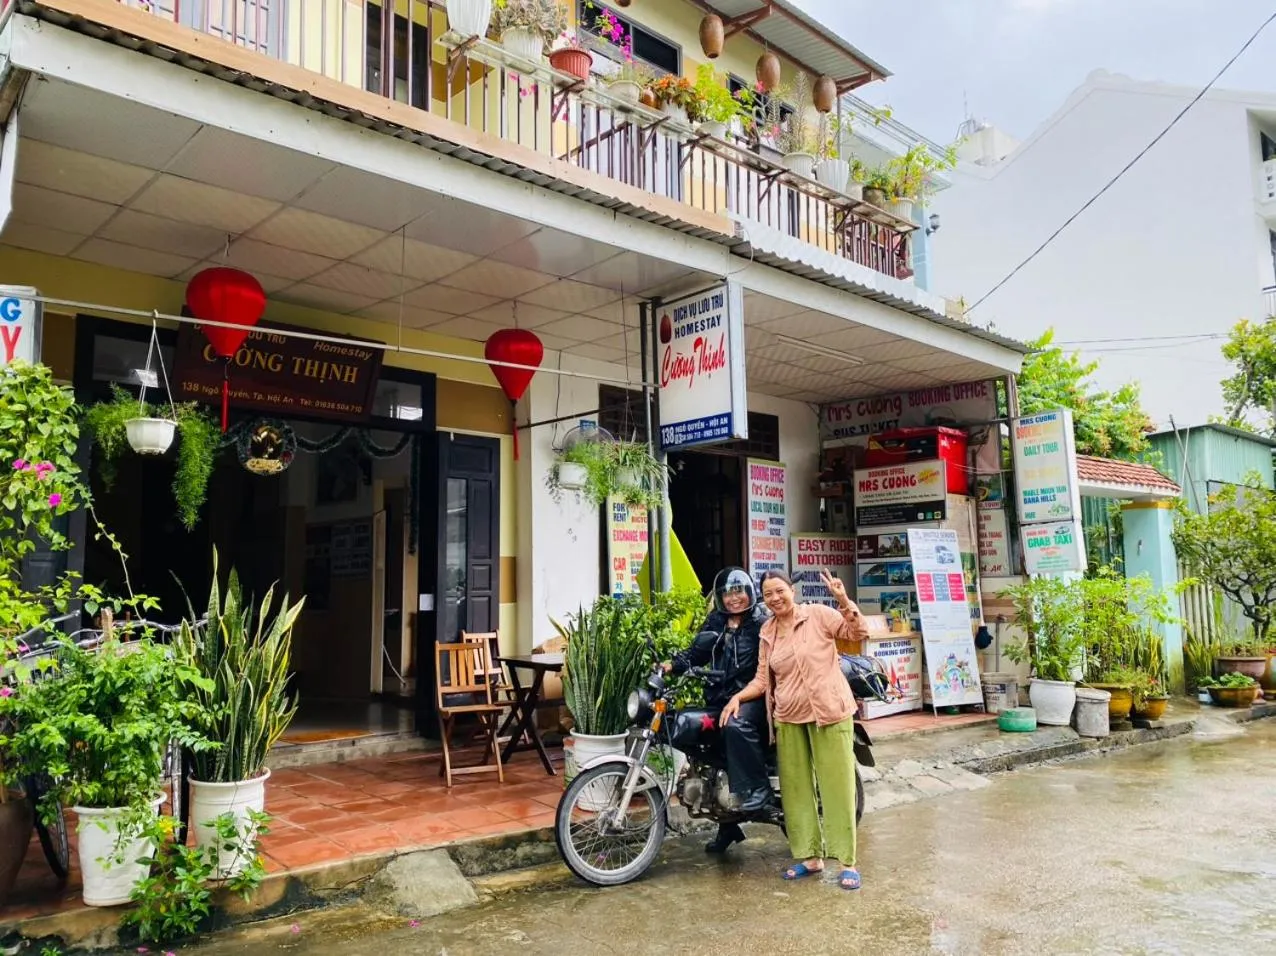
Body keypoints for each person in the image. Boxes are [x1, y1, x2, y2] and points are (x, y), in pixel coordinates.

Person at [720, 568, 870, 890]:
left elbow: (857, 634)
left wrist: (843, 599)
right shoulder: (767, 632)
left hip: (829, 711)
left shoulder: (817, 615)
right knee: (796, 791)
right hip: (788, 717)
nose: (775, 598)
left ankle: (847, 861)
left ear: (792, 591)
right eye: (768, 594)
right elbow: (762, 680)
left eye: (780, 591)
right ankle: (810, 858)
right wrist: (737, 697)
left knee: (836, 787)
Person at [665, 567, 780, 854]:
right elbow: (695, 654)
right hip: (719, 696)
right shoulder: (716, 621)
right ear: (720, 597)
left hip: (752, 696)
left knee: (734, 725)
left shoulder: (761, 623)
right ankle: (727, 825)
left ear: (750, 592)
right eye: (728, 594)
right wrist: (669, 666)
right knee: (707, 752)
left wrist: (743, 696)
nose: (734, 599)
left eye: (739, 592)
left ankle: (760, 790)